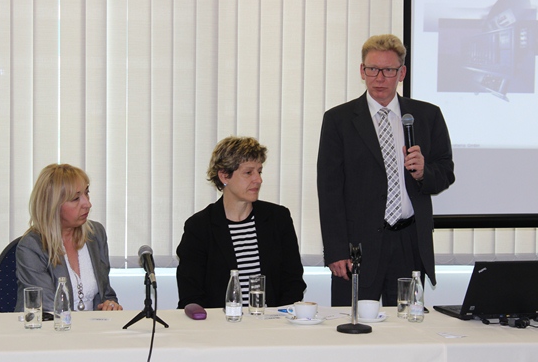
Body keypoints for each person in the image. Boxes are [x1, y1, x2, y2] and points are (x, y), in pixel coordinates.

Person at [317, 34, 455, 306]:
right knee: (353, 324)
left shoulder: (427, 116)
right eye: (372, 69)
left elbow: (445, 172)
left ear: (401, 73)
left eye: (389, 70)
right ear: (362, 71)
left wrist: (423, 173)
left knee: (406, 324)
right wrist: (335, 250)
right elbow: (329, 189)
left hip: (409, 241)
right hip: (357, 246)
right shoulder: (338, 120)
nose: (379, 78)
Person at [176, 136, 307, 309]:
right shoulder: (199, 227)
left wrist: (277, 317)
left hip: (271, 321)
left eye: (259, 171)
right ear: (224, 176)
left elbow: (293, 281)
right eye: (248, 172)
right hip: (219, 322)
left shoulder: (278, 218)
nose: (258, 179)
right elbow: (191, 293)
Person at [15, 163, 122, 312]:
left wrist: (109, 305)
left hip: (90, 325)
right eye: (76, 198)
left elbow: (106, 294)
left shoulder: (96, 234)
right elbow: (49, 310)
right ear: (52, 206)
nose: (88, 204)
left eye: (86, 193)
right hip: (50, 326)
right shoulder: (32, 247)